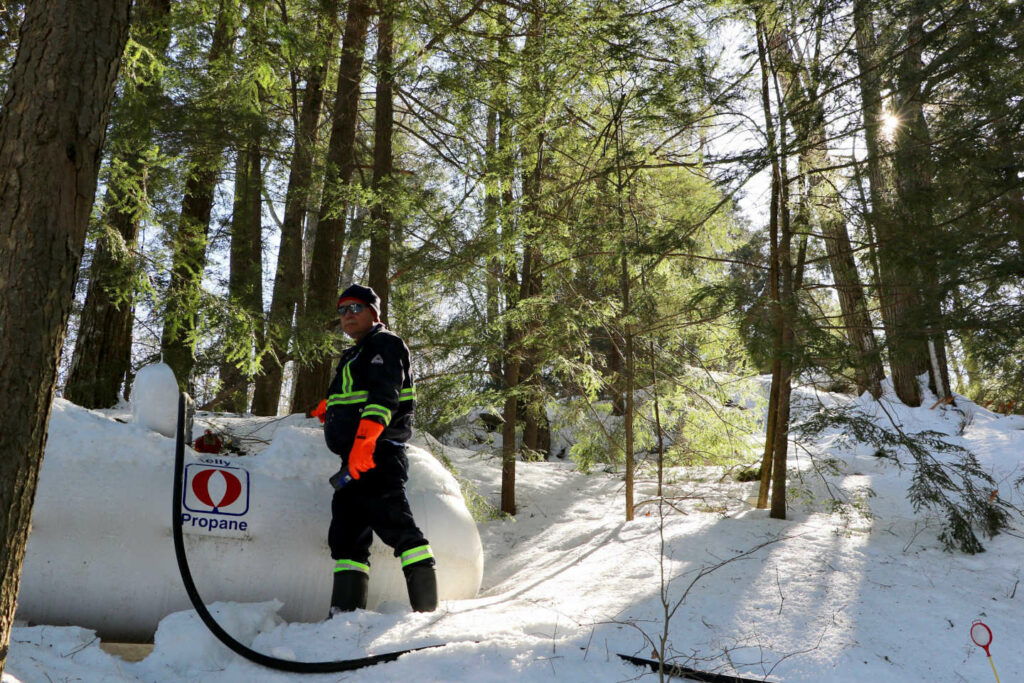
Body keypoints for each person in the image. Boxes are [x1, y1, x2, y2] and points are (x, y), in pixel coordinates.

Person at [321, 283, 437, 614]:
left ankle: (427, 617)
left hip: (378, 454)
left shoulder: (384, 344)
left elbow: (384, 396)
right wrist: (326, 410)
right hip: (352, 462)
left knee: (397, 527)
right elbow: (350, 395)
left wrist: (363, 443)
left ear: (374, 312)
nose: (347, 316)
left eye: (355, 308)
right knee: (345, 536)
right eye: (342, 311)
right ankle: (344, 617)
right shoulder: (354, 354)